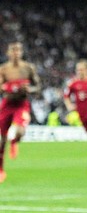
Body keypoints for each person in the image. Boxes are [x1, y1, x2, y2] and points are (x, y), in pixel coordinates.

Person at [0, 39, 41, 183]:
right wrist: (5, 88)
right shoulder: (4, 69)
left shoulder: (28, 68)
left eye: (18, 50)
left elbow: (38, 87)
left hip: (22, 104)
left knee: (20, 131)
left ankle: (15, 142)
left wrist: (30, 89)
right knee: (1, 139)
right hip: (7, 104)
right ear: (8, 53)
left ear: (21, 53)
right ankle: (1, 169)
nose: (16, 53)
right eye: (13, 50)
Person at [63, 59, 87, 166]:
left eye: (81, 69)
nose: (79, 72)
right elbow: (66, 95)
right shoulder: (73, 83)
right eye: (78, 70)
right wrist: (69, 105)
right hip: (81, 114)